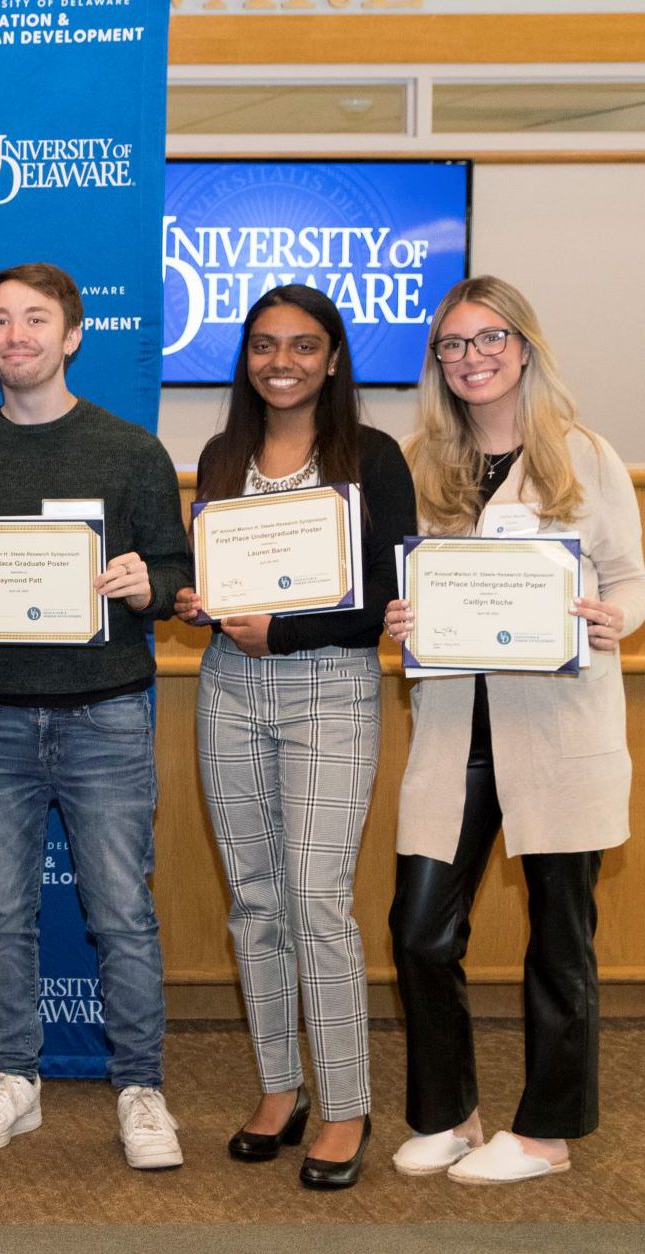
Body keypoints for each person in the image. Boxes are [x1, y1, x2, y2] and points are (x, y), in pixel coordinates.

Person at [0, 262, 191, 1170]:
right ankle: (13, 1079)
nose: (16, 334)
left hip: (105, 718)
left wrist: (155, 585)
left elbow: (178, 578)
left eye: (36, 320)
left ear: (72, 336)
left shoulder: (130, 451)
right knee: (1, 915)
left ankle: (140, 1089)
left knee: (121, 915)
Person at [383, 276, 642, 1185]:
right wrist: (403, 621)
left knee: (559, 935)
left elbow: (629, 579)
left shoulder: (583, 455)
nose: (472, 358)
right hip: (457, 729)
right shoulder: (421, 464)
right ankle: (450, 1115)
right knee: (418, 928)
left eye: (489, 339)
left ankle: (545, 1133)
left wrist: (616, 618)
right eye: (452, 345)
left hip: (558, 731)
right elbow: (403, 590)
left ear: (524, 346)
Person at [172, 285, 415, 1190]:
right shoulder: (222, 452)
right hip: (230, 690)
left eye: (304, 347)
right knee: (255, 901)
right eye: (266, 346)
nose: (283, 362)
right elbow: (219, 577)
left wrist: (285, 631)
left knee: (316, 902)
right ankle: (282, 1088)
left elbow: (380, 607)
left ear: (334, 359)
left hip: (330, 692)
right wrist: (201, 603)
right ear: (246, 359)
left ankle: (346, 1103)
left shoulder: (375, 457)